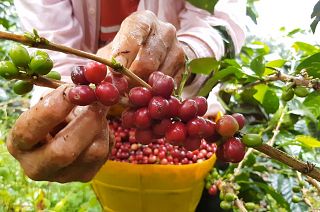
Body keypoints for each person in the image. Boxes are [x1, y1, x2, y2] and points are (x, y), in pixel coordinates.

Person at [8, 0, 247, 183]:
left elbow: (225, 23)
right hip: (107, 131)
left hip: (192, 117)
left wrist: (185, 56)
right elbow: (58, 59)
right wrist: (59, 118)